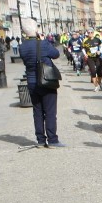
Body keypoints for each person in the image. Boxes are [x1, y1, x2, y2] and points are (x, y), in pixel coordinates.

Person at [19, 18, 63, 147]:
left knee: (37, 111)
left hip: (32, 82)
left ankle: (40, 140)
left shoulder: (22, 47)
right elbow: (55, 54)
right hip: (46, 81)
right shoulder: (43, 44)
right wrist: (45, 41)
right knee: (49, 111)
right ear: (36, 29)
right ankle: (53, 139)